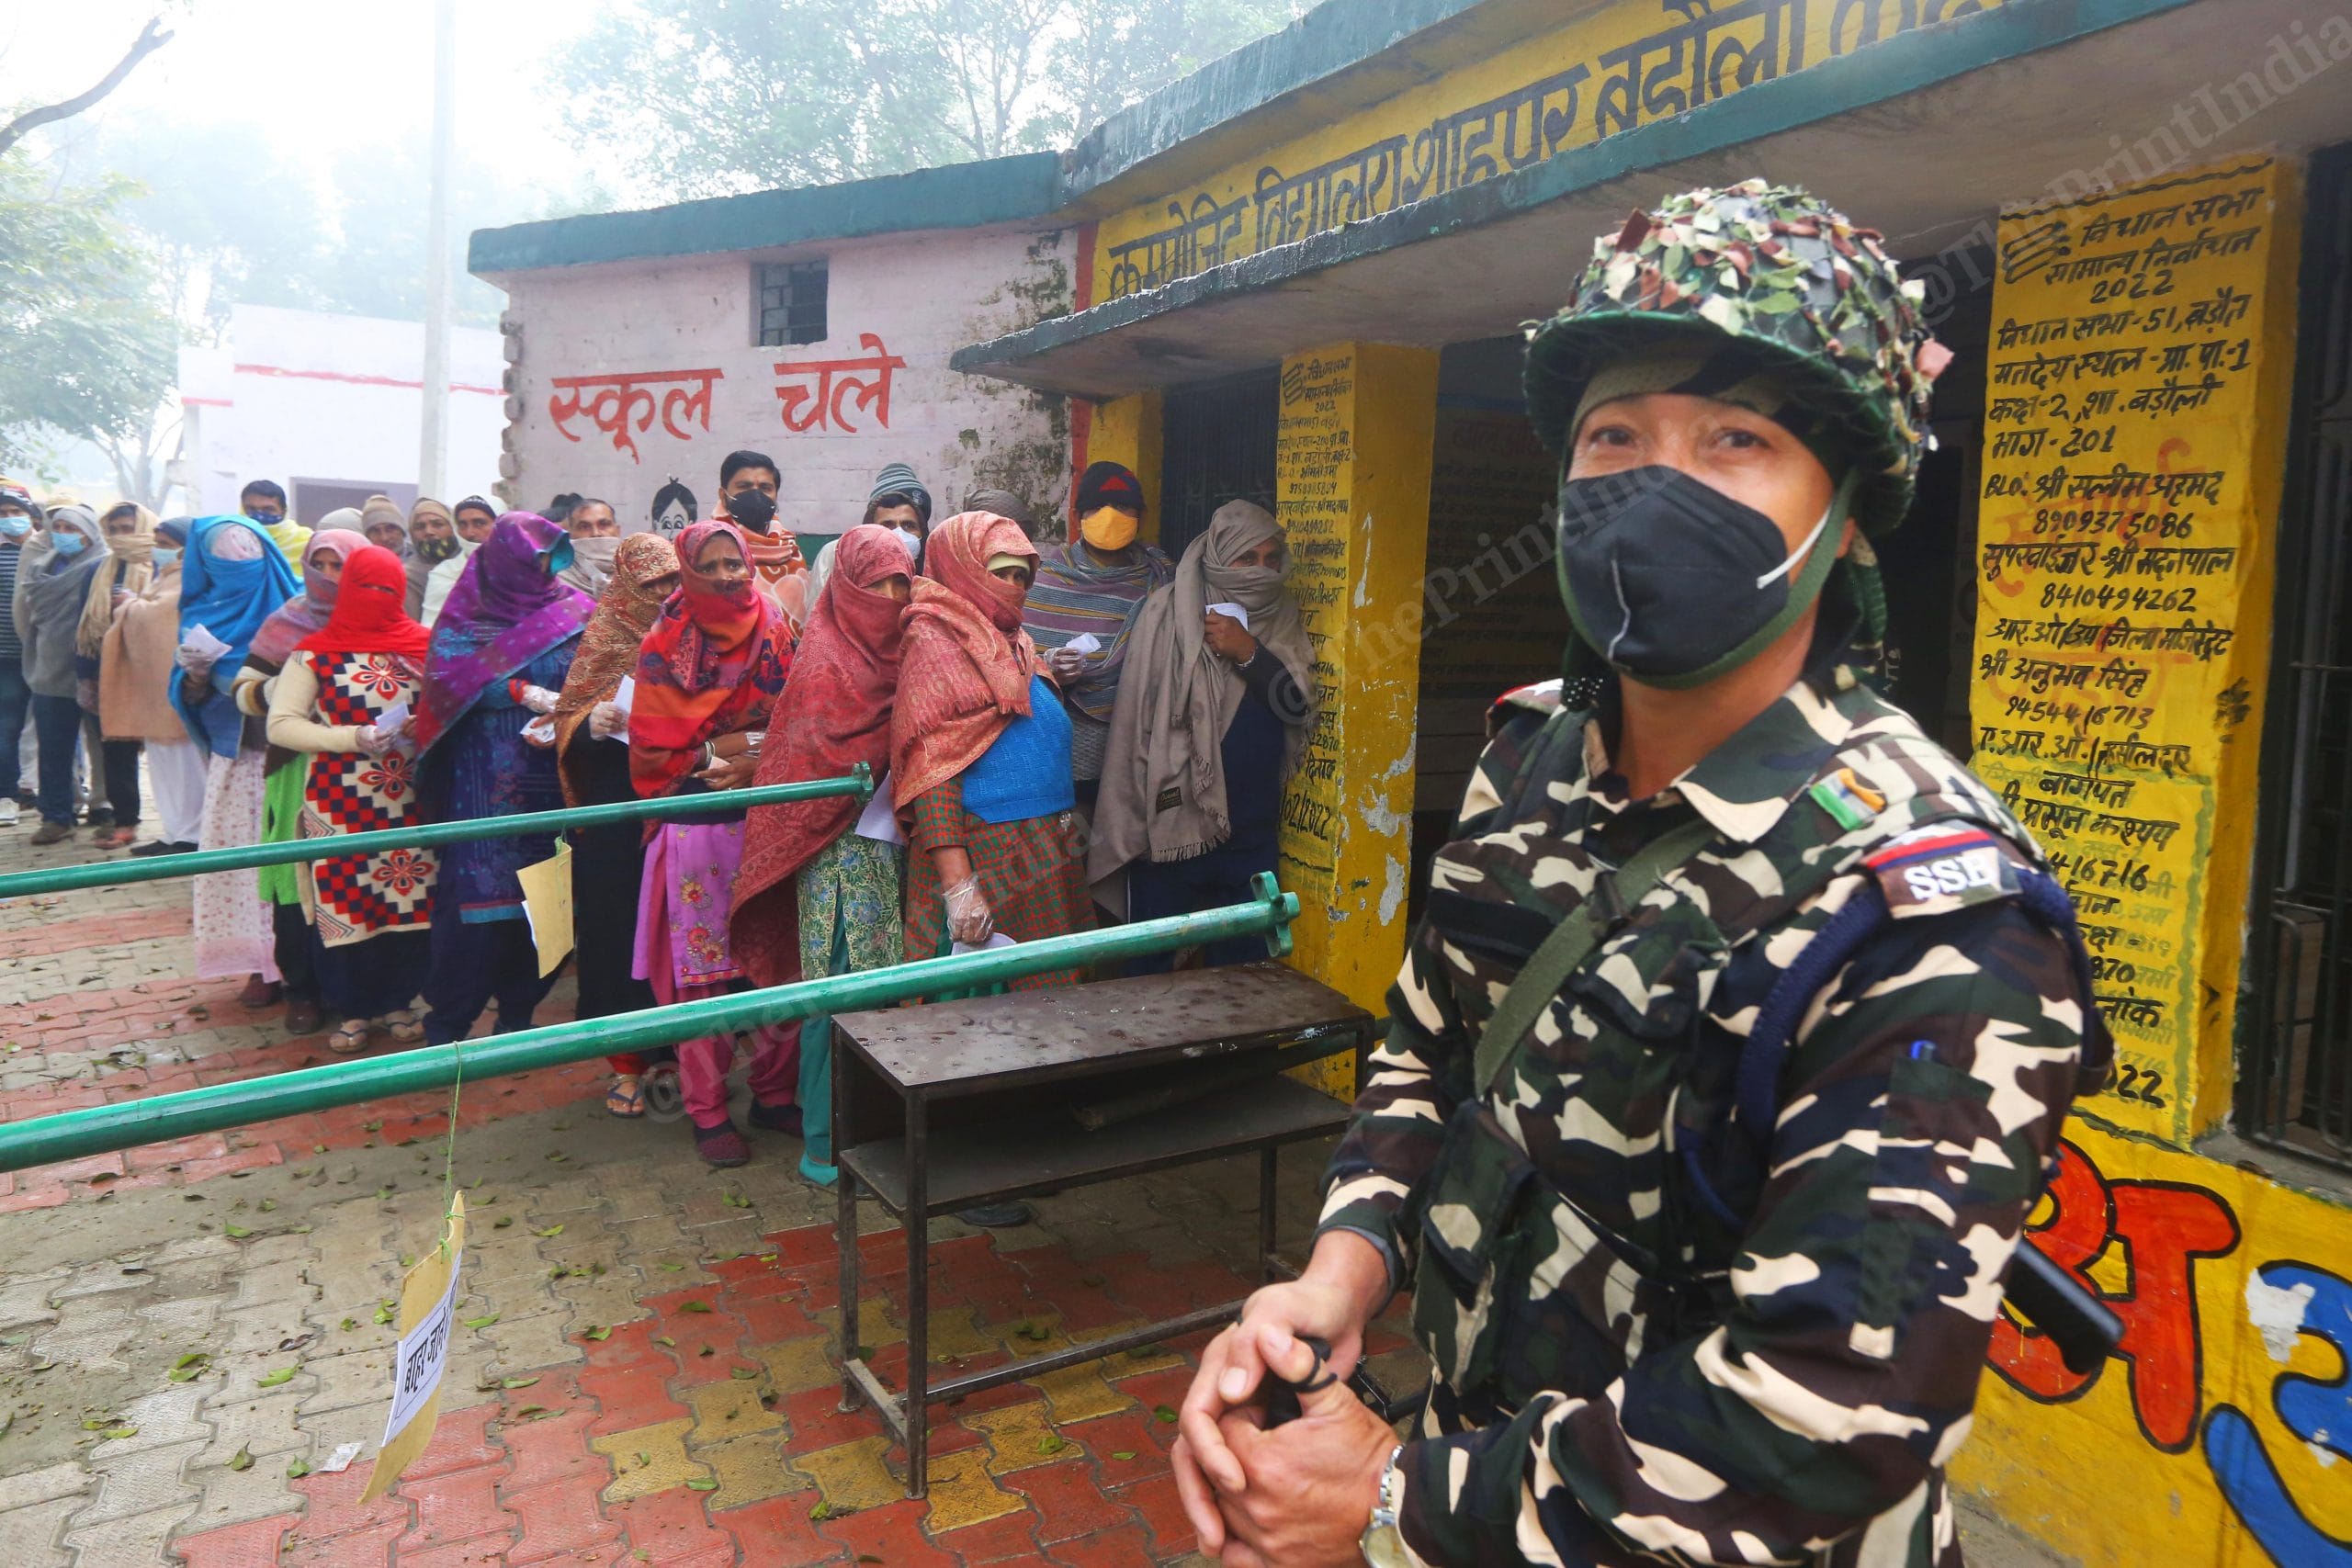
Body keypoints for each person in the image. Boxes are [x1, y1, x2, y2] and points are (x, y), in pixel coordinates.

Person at [1169, 182, 2112, 1568]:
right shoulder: (1530, 755)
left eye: (1739, 439)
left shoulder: (1928, 909)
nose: (1656, 481)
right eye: (1616, 435)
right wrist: (1334, 1277)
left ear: (1848, 513)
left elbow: (1834, 1411)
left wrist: (1392, 1503)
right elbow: (1432, 1056)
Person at [733, 525, 916, 1185]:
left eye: (903, 582)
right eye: (879, 584)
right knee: (837, 992)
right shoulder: (825, 665)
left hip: (891, 854)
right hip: (836, 856)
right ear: (847, 587)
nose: (894, 597)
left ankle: (866, 1130)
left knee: (879, 993)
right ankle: (824, 1143)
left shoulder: (906, 654)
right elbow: (816, 766)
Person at [628, 520, 794, 1168]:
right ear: (689, 569)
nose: (728, 575)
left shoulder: (777, 625)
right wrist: (725, 748)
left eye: (736, 563)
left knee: (780, 959)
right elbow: (653, 749)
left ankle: (775, 1093)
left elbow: (800, 713)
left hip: (770, 815)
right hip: (696, 824)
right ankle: (707, 1108)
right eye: (713, 565)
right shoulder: (665, 643)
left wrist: (751, 755)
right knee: (706, 976)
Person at [1091, 500, 1313, 966]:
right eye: (1247, 559)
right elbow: (1135, 723)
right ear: (1217, 558)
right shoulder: (1165, 613)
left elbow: (1295, 706)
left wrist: (1249, 651)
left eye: (1272, 560)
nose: (1262, 571)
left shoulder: (1281, 615)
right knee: (1154, 973)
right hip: (1172, 827)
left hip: (1251, 831)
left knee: (1243, 974)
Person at [413, 513, 592, 1043]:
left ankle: (519, 1015)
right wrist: (516, 693)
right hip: (483, 781)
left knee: (547, 901)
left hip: (553, 774)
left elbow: (599, 671)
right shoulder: (467, 615)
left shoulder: (574, 610)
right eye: (529, 559)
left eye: (547, 559)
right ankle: (448, 1025)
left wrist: (571, 709)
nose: (540, 569)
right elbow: (444, 684)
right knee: (476, 907)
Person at [261, 544, 435, 1054]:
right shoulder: (314, 652)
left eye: (388, 589)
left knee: (410, 902)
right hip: (339, 803)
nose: (377, 598)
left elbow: (450, 706)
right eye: (366, 588)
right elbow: (281, 725)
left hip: (410, 800)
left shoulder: (424, 644)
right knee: (348, 905)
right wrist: (350, 738)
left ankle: (401, 1002)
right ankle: (353, 1010)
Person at [551, 532, 680, 1119]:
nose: (665, 593)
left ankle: (678, 1054)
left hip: (680, 802)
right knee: (615, 933)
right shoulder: (604, 637)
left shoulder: (698, 636)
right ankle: (626, 1062)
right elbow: (566, 717)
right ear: (627, 584)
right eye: (651, 582)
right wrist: (589, 723)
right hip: (615, 816)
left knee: (676, 930)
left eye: (673, 580)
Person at [233, 521, 368, 1033]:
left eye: (342, 566)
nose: (330, 577)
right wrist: (288, 690)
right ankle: (303, 990)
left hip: (363, 770)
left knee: (352, 876)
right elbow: (242, 692)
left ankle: (352, 992)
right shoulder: (286, 622)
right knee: (298, 878)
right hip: (295, 769)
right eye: (321, 565)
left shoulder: (383, 617)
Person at [172, 514, 302, 990]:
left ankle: (300, 962)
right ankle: (257, 963)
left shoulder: (298, 607)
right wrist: (197, 677)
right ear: (205, 565)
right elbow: (188, 698)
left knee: (294, 861)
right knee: (243, 865)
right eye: (226, 561)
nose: (240, 568)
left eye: (248, 557)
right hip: (238, 761)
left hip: (295, 760)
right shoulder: (199, 615)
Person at [1025, 460, 1173, 815]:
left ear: (1142, 514)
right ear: (1078, 516)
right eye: (1097, 507)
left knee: (1120, 839)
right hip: (1059, 741)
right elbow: (1014, 661)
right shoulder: (1044, 580)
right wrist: (1049, 668)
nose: (1110, 516)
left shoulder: (1161, 578)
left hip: (1137, 738)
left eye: (1123, 507)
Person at [103, 517, 205, 856]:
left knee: (187, 768)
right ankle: (175, 831)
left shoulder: (192, 577)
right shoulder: (165, 576)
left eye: (166, 543)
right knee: (163, 768)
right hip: (154, 693)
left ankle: (192, 834)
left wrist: (131, 605)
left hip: (178, 697)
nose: (159, 550)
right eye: (157, 542)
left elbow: (161, 619)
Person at [12, 506, 103, 847]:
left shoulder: (104, 565)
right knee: (54, 748)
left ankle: (107, 808)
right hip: (49, 669)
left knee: (105, 746)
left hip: (94, 669)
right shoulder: (41, 566)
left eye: (71, 527)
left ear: (90, 532)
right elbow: (27, 616)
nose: (63, 532)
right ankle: (56, 816)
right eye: (59, 526)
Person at [78, 502, 162, 849]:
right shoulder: (96, 572)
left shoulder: (165, 566)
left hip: (156, 673)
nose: (121, 536)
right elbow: (83, 629)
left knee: (169, 753)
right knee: (116, 749)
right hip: (110, 672)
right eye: (114, 530)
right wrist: (86, 677)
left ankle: (185, 830)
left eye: (128, 528)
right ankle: (125, 821)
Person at [807, 463, 930, 605]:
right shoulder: (836, 555)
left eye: (909, 525)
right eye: (887, 525)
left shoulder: (932, 572)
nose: (898, 535)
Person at [713, 449, 807, 629]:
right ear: (723, 495)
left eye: (765, 488)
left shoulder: (790, 551)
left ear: (776, 495)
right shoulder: (706, 549)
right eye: (744, 486)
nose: (755, 495)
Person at [0, 483, 37, 826]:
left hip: (45, 656)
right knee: (7, 727)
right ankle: (6, 796)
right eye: (3, 514)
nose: (10, 519)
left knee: (53, 730)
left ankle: (64, 793)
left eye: (16, 512)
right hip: (6, 658)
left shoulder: (47, 552)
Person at [422, 495, 501, 626]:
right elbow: (430, 627)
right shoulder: (444, 573)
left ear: (500, 523)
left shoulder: (519, 571)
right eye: (462, 525)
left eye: (479, 523)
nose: (469, 533)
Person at [404, 498, 459, 621]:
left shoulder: (470, 566)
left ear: (453, 528)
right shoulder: (407, 577)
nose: (429, 532)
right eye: (420, 527)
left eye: (438, 525)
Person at [556, 496, 622, 598]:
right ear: (570, 534)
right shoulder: (558, 583)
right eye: (584, 527)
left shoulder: (639, 574)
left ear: (618, 531)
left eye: (604, 524)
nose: (596, 533)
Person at [240, 479, 311, 568]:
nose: (259, 515)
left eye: (268, 509)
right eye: (251, 509)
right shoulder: (231, 541)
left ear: (283, 511)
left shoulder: (305, 541)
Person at [359, 494, 411, 558]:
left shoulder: (423, 562)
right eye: (376, 531)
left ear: (402, 530)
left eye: (390, 529)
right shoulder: (362, 565)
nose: (384, 538)